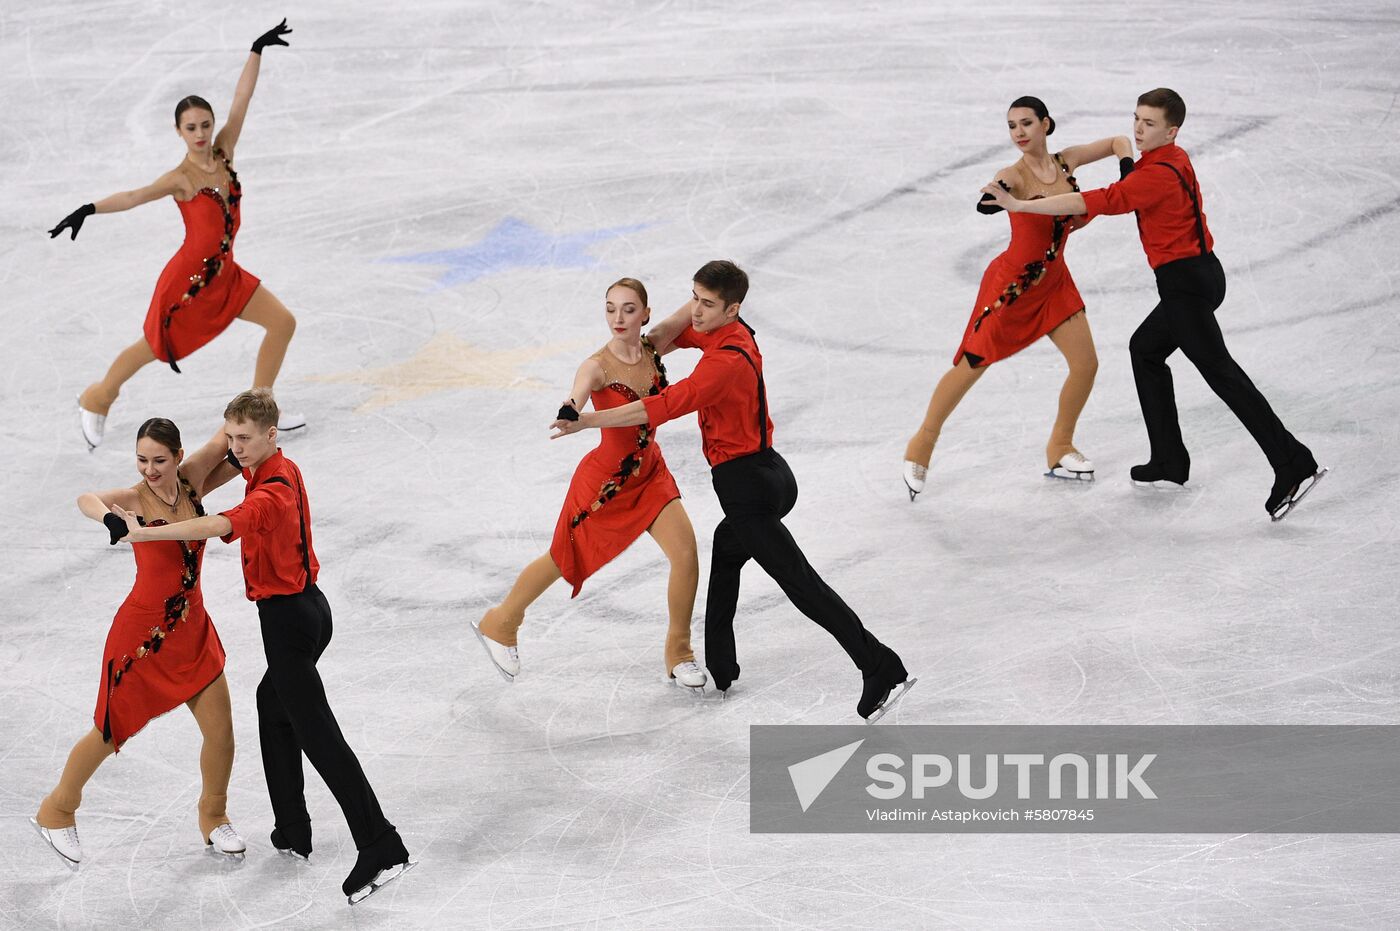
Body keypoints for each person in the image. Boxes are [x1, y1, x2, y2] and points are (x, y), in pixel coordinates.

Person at [552, 261, 915, 721]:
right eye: (694, 299)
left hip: (747, 488)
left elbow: (661, 407)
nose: (696, 312)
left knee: (801, 584)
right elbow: (672, 329)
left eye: (707, 304)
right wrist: (646, 338)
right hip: (773, 474)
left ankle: (880, 666)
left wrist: (587, 421)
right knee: (726, 553)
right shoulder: (731, 329)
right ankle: (722, 666)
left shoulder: (722, 364)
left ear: (733, 308)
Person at [109, 389, 412, 904]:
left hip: (290, 622)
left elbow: (219, 523)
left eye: (245, 439)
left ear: (272, 435)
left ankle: (381, 844)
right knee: (272, 706)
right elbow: (210, 464)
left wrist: (149, 535)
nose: (236, 447)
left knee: (321, 738)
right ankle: (292, 828)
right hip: (310, 611)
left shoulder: (272, 493)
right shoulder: (274, 465)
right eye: (232, 437)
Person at [981, 88, 1324, 519]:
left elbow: (1097, 201)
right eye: (1137, 119)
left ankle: (1293, 463)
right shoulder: (1170, 159)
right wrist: (1112, 172)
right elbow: (1114, 185)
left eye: (1150, 124)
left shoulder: (1156, 174)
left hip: (1185, 287)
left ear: (1172, 130)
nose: (1139, 130)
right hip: (1201, 275)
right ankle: (1169, 459)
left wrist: (1018, 205)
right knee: (1145, 349)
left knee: (1223, 374)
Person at [49, 20, 304, 450]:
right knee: (152, 348)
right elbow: (133, 196)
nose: (202, 134)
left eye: (206, 124)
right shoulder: (180, 178)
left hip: (226, 274)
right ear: (179, 132)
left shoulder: (224, 152)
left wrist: (256, 49)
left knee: (282, 323)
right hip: (189, 283)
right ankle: (97, 397)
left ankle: (261, 415)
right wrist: (89, 209)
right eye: (192, 128)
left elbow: (242, 100)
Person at [471, 278, 707, 690]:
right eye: (611, 308)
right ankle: (501, 622)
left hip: (650, 474)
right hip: (605, 486)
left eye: (629, 309)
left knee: (685, 552)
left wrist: (717, 285)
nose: (618, 317)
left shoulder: (653, 345)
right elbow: (577, 395)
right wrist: (570, 409)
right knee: (564, 558)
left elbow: (693, 307)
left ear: (645, 314)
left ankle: (679, 652)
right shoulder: (596, 366)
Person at [31, 418, 245, 868]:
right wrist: (109, 517)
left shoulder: (192, 480)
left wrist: (256, 430)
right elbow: (86, 498)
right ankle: (57, 810)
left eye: (159, 460)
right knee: (111, 731)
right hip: (142, 638)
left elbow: (229, 433)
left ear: (178, 456)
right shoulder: (134, 499)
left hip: (192, 631)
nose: (149, 469)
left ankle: (214, 815)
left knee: (222, 733)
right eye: (142, 459)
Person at [902, 96, 1131, 499]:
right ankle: (921, 444)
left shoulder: (1067, 162)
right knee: (973, 363)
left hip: (1055, 283)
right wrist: (996, 196)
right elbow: (999, 189)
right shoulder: (1014, 174)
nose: (1019, 133)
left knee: (1086, 364)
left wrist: (1128, 167)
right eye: (1012, 126)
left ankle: (1060, 447)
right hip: (1012, 289)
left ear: (1046, 124)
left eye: (1026, 123)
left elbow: (1117, 141)